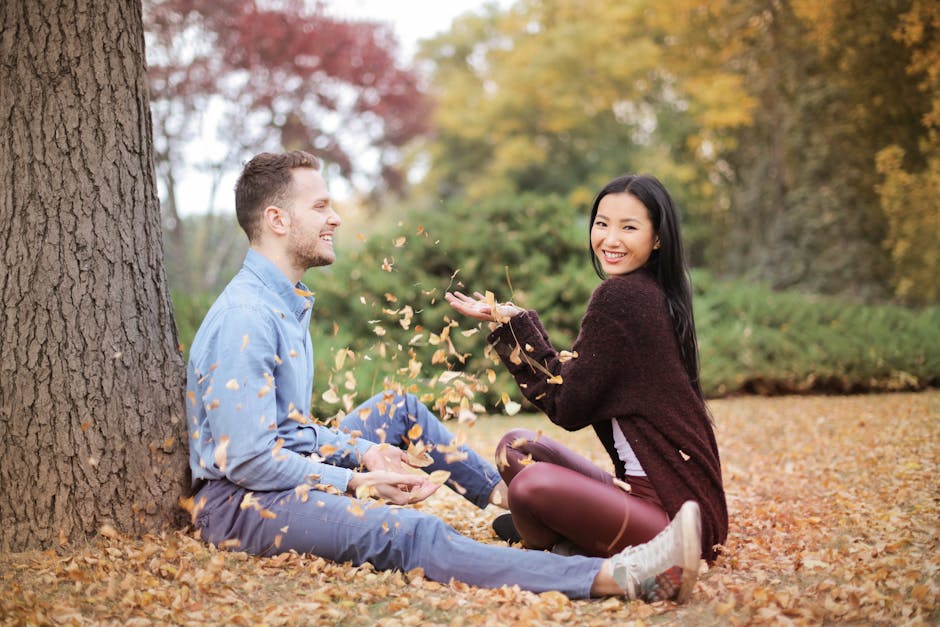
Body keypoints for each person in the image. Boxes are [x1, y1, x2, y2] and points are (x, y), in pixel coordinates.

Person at [186, 151, 703, 603]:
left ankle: (506, 505)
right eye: (320, 206)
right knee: (415, 534)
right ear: (276, 219)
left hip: (275, 475)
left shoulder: (284, 303)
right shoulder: (246, 319)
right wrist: (357, 480)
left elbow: (286, 430)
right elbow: (250, 460)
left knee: (399, 410)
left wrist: (362, 450)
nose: (336, 218)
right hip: (242, 505)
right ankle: (619, 576)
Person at [446, 174, 728, 564]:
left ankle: (555, 538)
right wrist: (512, 323)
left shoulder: (621, 297)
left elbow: (568, 406)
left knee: (529, 485)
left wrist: (517, 329)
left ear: (657, 237)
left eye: (628, 227)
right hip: (670, 503)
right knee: (516, 447)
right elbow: (577, 384)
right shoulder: (649, 291)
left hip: (676, 521)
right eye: (602, 223)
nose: (610, 239)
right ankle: (558, 532)